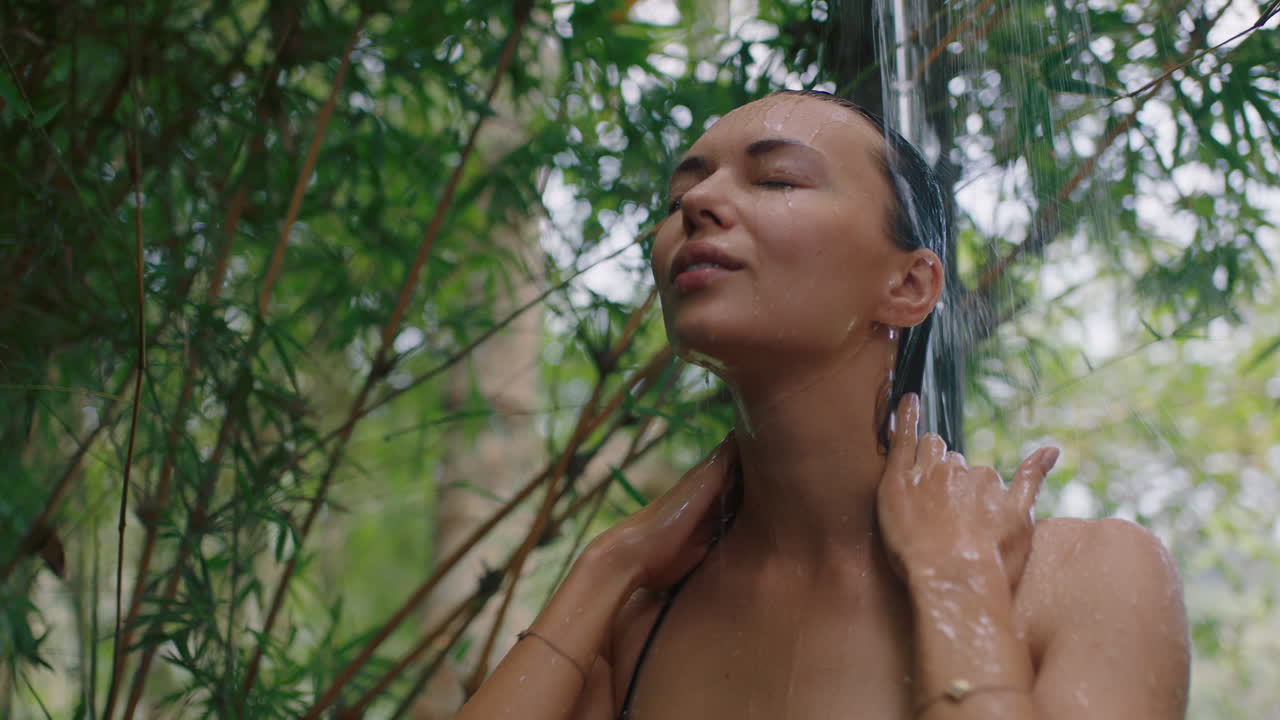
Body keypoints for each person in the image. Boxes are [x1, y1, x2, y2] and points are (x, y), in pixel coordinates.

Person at [455, 90, 1189, 720]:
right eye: (680, 198)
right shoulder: (635, 619)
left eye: (776, 179)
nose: (698, 206)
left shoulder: (1090, 579)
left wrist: (956, 584)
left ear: (909, 287)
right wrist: (607, 564)